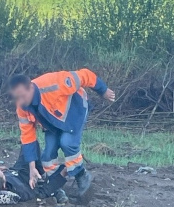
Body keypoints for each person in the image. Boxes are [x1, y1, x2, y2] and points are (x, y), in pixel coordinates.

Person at [8, 68, 115, 199]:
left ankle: (81, 175)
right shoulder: (22, 107)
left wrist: (103, 90)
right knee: (48, 155)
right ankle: (55, 187)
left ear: (30, 87)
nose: (21, 101)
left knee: (67, 143)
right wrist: (32, 168)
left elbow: (85, 75)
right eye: (17, 97)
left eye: (22, 96)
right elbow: (28, 138)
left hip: (75, 111)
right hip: (52, 123)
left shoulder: (53, 84)